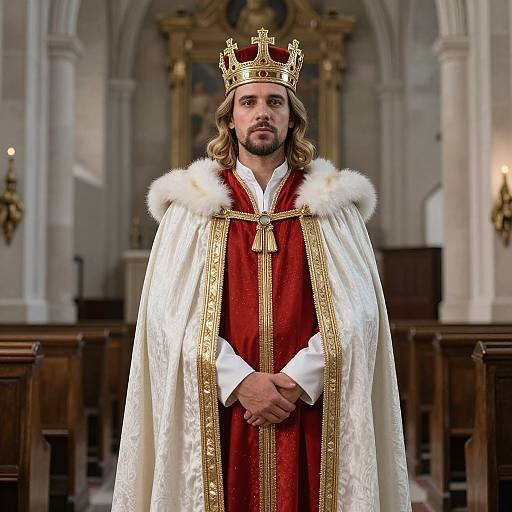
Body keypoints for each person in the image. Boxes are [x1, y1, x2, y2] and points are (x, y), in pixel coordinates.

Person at [112, 28, 411, 512]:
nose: (262, 113)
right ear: (229, 118)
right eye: (248, 102)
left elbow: (360, 314)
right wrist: (239, 381)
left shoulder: (332, 206)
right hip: (223, 408)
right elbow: (167, 320)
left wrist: (293, 381)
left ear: (293, 117)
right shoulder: (192, 208)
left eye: (275, 101)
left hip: (310, 409)